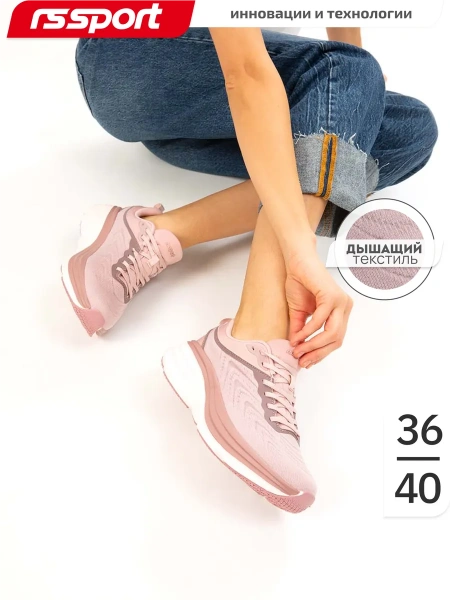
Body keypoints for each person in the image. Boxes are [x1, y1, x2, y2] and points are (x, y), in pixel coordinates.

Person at [63, 28, 437, 512]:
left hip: (189, 116)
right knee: (348, 76)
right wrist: (301, 251)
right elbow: (246, 71)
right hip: (126, 58)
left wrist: (353, 102)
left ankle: (155, 233)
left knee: (406, 131)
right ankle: (253, 338)